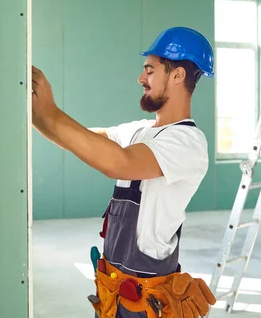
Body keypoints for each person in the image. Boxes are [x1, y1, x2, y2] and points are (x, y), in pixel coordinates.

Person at [31, 26, 217, 318]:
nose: (141, 78)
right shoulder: (138, 131)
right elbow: (80, 141)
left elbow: (118, 163)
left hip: (146, 303)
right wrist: (36, 115)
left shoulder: (188, 142)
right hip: (112, 293)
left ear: (178, 75)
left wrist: (51, 112)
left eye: (150, 70)